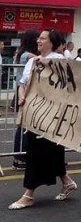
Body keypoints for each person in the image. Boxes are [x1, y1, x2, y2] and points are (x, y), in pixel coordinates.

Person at [8, 29, 77, 210]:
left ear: (52, 42)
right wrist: (22, 96)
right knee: (51, 150)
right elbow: (23, 84)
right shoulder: (32, 61)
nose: (38, 41)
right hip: (34, 113)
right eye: (38, 38)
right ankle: (67, 181)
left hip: (51, 116)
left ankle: (28, 194)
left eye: (43, 38)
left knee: (38, 151)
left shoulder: (60, 61)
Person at [11, 29, 40, 170]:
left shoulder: (22, 52)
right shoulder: (27, 55)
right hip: (24, 90)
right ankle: (19, 157)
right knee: (23, 124)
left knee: (26, 124)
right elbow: (41, 60)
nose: (39, 41)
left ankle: (23, 155)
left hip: (25, 90)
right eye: (38, 38)